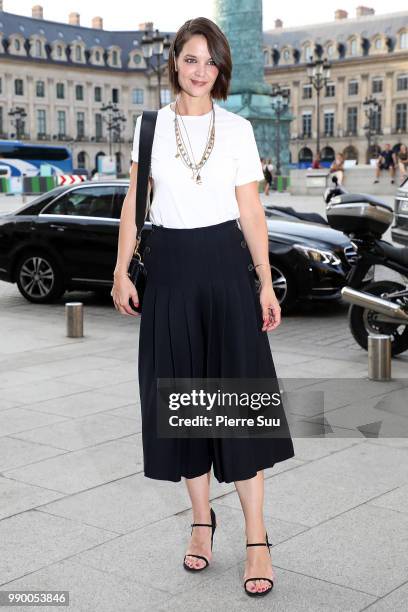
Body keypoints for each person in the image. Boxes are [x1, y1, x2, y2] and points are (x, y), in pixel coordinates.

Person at [111, 17, 294, 598]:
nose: (200, 70)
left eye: (210, 61)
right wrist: (120, 271)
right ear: (174, 62)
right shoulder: (150, 128)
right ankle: (200, 520)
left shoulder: (238, 129)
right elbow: (133, 207)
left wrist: (265, 284)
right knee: (185, 401)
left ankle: (258, 538)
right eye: (191, 59)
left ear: (221, 70)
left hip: (225, 266)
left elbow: (253, 214)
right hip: (169, 272)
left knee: (236, 405)